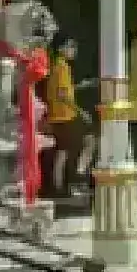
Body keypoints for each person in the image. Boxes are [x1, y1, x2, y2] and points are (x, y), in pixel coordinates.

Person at [44, 36, 93, 200]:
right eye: (71, 46)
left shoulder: (56, 66)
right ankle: (77, 180)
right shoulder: (63, 67)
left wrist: (80, 86)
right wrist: (81, 112)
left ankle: (59, 186)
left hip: (57, 115)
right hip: (65, 115)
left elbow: (63, 90)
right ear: (61, 49)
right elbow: (63, 94)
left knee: (63, 151)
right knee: (88, 141)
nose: (74, 50)